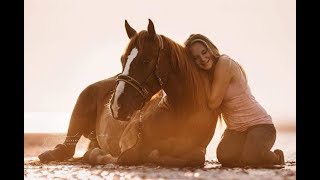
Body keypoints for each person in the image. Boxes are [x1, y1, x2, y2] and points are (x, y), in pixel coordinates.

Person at [184, 34, 285, 167]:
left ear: (211, 49)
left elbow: (213, 103)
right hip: (236, 130)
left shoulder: (224, 63)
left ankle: (277, 156)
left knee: (252, 158)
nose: (202, 59)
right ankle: (248, 152)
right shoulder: (207, 73)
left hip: (260, 125)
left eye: (204, 52)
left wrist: (202, 78)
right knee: (224, 156)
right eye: (196, 58)